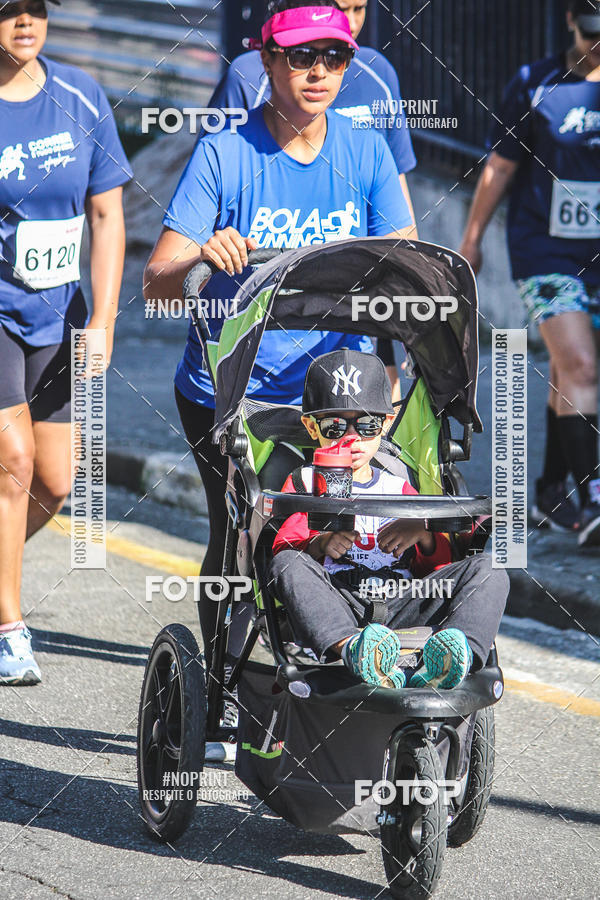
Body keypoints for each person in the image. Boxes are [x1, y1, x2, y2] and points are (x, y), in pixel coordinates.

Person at [0, 0, 132, 684]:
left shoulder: (80, 94)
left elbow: (107, 214)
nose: (25, 21)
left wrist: (104, 319)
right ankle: (9, 630)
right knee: (12, 460)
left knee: (54, 480)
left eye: (35, 8)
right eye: (7, 10)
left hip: (61, 314)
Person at [208, 0, 418, 398]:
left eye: (360, 9)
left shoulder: (378, 75)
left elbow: (400, 221)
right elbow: (215, 193)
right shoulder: (245, 79)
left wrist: (412, 315)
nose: (351, 23)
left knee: (372, 441)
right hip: (259, 343)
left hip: (358, 316)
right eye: (341, 8)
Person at [270, 349, 509, 689]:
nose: (351, 438)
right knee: (287, 564)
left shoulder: (400, 486)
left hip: (404, 597)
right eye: (335, 426)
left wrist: (422, 532)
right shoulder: (304, 483)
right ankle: (354, 649)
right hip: (340, 599)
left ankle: (456, 657)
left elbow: (438, 565)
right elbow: (285, 547)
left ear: (384, 426)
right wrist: (320, 542)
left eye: (366, 425)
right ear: (311, 427)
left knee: (488, 570)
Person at [459, 0, 600, 547]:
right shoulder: (535, 85)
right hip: (545, 252)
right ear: (569, 20)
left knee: (571, 375)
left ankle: (547, 490)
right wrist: (472, 239)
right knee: (582, 366)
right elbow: (500, 164)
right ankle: (592, 498)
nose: (596, 44)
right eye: (589, 32)